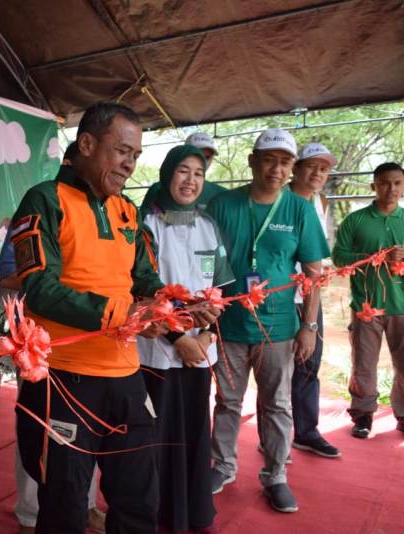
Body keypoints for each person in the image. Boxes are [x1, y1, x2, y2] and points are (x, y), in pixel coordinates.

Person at [12, 101, 181, 533]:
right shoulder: (45, 199)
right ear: (86, 144)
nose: (129, 164)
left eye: (135, 155)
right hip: (65, 379)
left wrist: (175, 306)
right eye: (121, 151)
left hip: (126, 376)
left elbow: (145, 279)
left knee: (140, 498)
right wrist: (121, 314)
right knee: (64, 505)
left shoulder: (128, 210)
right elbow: (40, 288)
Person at [206, 128, 329, 514]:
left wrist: (309, 327)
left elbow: (313, 274)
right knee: (227, 401)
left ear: (292, 167)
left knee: (277, 403)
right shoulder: (223, 204)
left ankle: (275, 475)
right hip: (228, 324)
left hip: (278, 328)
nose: (277, 169)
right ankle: (223, 465)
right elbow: (205, 261)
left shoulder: (299, 209)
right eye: (269, 160)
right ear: (252, 162)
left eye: (285, 162)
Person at [0, 141, 105, 534]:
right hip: (41, 345)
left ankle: (85, 505)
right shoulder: (41, 205)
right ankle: (30, 514)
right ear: (73, 162)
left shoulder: (104, 211)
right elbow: (8, 273)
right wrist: (55, 285)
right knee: (38, 428)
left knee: (87, 429)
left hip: (90, 344)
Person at [139, 145, 233, 534]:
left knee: (195, 431)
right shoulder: (146, 226)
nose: (191, 181)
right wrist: (179, 337)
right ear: (166, 175)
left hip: (199, 352)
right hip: (157, 352)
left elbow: (221, 290)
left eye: (198, 173)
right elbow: (142, 289)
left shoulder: (209, 226)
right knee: (160, 435)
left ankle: (195, 513)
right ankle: (162, 516)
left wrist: (207, 334)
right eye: (183, 171)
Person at [267, 143, 340, 458]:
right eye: (311, 166)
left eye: (324, 169)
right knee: (277, 369)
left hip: (310, 296)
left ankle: (306, 432)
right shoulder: (277, 200)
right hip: (280, 297)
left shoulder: (321, 202)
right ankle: (271, 437)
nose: (318, 174)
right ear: (295, 169)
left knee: (310, 361)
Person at [333, 162, 404, 439]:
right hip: (366, 306)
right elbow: (339, 258)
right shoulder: (355, 220)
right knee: (363, 363)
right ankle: (363, 416)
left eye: (397, 183)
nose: (391, 189)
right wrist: (374, 257)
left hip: (402, 306)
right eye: (384, 183)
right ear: (374, 186)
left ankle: (402, 414)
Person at [140, 132, 227, 213]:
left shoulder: (220, 194)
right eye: (195, 154)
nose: (202, 161)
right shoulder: (157, 189)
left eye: (207, 157)